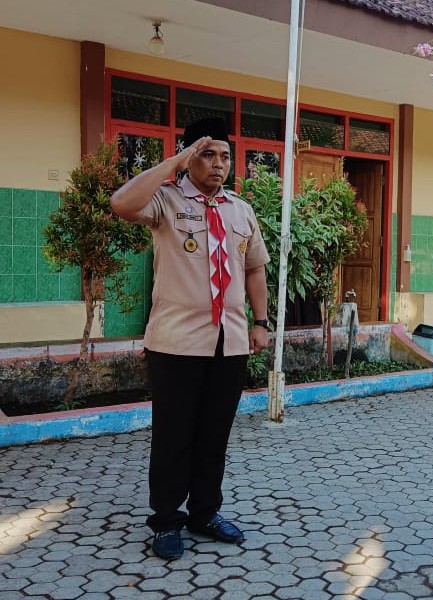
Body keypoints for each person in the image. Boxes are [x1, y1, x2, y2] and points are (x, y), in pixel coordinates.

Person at [111, 117, 270, 561]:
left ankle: (204, 513)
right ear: (188, 158)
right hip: (176, 343)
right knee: (173, 436)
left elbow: (255, 269)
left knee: (213, 435)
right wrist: (175, 163)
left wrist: (261, 321)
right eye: (207, 154)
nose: (219, 164)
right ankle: (166, 520)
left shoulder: (240, 209)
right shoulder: (165, 201)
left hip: (229, 342)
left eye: (225, 156)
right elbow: (121, 203)